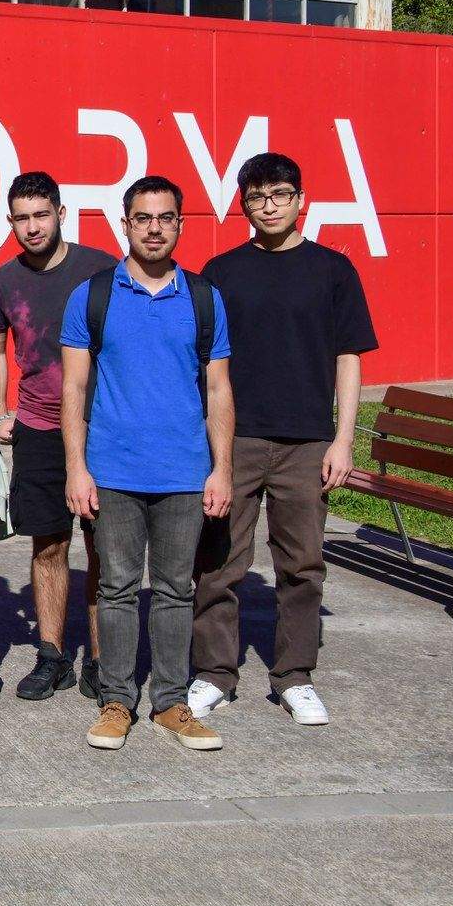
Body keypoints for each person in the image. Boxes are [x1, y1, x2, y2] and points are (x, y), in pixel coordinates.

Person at [191, 153, 377, 727]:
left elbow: (349, 359)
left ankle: (294, 677)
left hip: (307, 443)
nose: (268, 204)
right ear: (243, 205)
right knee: (219, 563)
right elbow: (203, 365)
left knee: (302, 565)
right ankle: (215, 674)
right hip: (236, 441)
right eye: (257, 196)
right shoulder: (221, 272)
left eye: (279, 194)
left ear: (301, 201)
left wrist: (343, 439)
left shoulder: (333, 270)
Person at [62, 175, 233, 752]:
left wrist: (222, 468)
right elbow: (74, 389)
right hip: (112, 472)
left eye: (165, 218)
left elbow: (218, 390)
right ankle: (116, 701)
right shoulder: (93, 296)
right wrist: (77, 468)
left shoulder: (205, 299)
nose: (154, 228)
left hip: (185, 472)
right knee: (113, 588)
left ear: (181, 225)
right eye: (143, 217)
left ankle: (171, 703)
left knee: (174, 591)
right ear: (125, 224)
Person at [0, 171, 116, 702]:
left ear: (61, 213)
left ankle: (103, 661)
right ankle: (53, 656)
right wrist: (0, 413)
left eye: (42, 215)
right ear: (10, 222)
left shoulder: (101, 269)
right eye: (22, 218)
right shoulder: (1, 284)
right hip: (37, 428)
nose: (33, 226)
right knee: (48, 545)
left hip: (102, 428)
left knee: (105, 546)